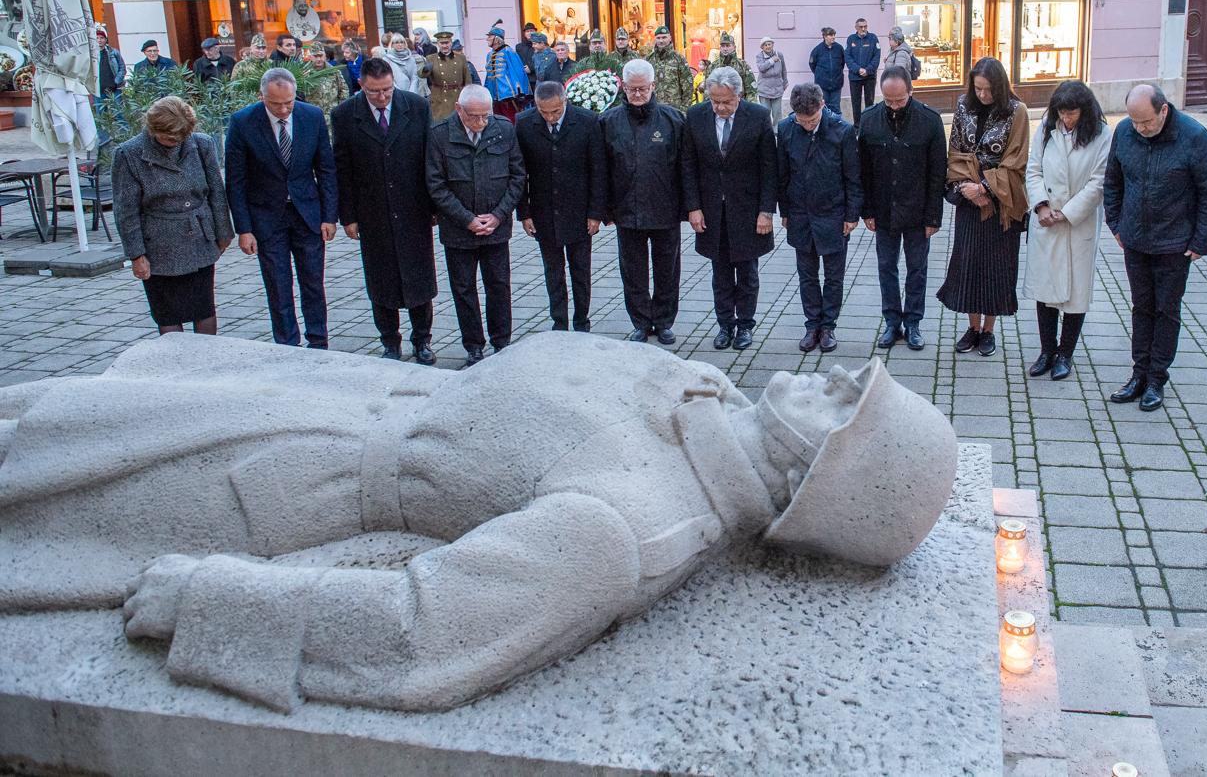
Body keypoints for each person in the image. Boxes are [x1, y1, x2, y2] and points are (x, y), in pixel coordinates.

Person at [1, 335, 956, 715]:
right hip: (303, 389)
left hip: (261, 472)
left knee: (30, 469)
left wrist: (212, 598)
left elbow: (419, 635)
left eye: (849, 407)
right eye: (855, 381)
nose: (835, 376)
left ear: (817, 479)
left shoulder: (630, 523)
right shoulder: (697, 394)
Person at [1103, 84, 1207, 412]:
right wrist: (1116, 223)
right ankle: (1138, 374)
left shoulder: (1195, 137)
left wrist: (1201, 241)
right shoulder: (1126, 130)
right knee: (1141, 307)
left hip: (1174, 242)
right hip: (1135, 239)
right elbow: (1113, 180)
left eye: (1146, 123)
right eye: (1134, 122)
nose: (1139, 130)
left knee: (1166, 309)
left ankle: (1157, 378)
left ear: (1164, 110)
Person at [332, 57, 439, 365]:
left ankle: (423, 340)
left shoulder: (416, 106)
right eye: (374, 92)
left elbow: (429, 160)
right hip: (373, 211)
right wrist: (348, 216)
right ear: (361, 86)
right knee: (381, 281)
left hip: (412, 207)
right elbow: (343, 169)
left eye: (387, 90)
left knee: (419, 279)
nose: (382, 97)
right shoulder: (344, 115)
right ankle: (390, 342)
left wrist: (434, 207)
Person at [225, 67, 339, 350]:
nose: (284, 109)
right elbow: (236, 181)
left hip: (307, 214)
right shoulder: (243, 122)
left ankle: (318, 341)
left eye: (288, 102)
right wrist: (244, 229)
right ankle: (287, 344)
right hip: (267, 217)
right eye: (276, 104)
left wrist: (329, 216)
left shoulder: (311, 116)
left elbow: (325, 169)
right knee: (278, 286)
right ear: (261, 95)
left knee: (313, 283)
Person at [112, 96, 233, 335]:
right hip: (159, 246)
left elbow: (216, 192)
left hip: (199, 238)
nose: (176, 142)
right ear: (153, 129)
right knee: (168, 312)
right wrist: (136, 254)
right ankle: (175, 363)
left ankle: (207, 363)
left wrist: (224, 231)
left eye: (181, 138)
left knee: (203, 309)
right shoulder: (129, 154)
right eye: (169, 139)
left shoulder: (202, 144)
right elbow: (126, 211)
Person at [426, 84, 526, 366]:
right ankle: (473, 346)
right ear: (459, 110)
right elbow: (436, 185)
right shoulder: (440, 135)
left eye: (486, 116)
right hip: (459, 230)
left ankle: (502, 341)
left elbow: (517, 176)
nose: (481, 123)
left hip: (495, 227)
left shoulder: (503, 129)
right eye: (474, 117)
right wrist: (467, 219)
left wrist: (499, 215)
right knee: (464, 289)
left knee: (499, 285)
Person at [936, 58, 1030, 357]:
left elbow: (1017, 161)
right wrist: (968, 189)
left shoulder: (1018, 111)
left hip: (1000, 204)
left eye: (988, 89)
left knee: (997, 268)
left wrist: (985, 187)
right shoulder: (964, 105)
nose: (983, 95)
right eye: (978, 88)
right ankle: (972, 327)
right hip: (969, 200)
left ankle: (989, 330)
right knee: (968, 266)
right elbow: (955, 151)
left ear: (1000, 86)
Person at [684, 66, 779, 350]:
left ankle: (745, 325)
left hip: (748, 211)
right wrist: (693, 207)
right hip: (712, 210)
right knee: (721, 273)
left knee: (748, 272)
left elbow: (769, 168)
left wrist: (766, 211)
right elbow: (688, 165)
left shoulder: (759, 116)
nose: (720, 107)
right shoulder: (696, 116)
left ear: (739, 95)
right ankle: (725, 325)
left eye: (727, 101)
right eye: (715, 101)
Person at [1023, 81, 1111, 381]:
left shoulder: (1101, 134)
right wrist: (1041, 205)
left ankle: (1065, 353)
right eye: (1062, 111)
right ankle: (1046, 350)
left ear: (1084, 109)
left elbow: (1099, 181)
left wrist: (1068, 211)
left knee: (1075, 294)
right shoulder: (1047, 128)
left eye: (1072, 112)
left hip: (1076, 223)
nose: (1067, 118)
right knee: (1044, 289)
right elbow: (1033, 169)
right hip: (1046, 221)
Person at [600, 60, 689, 343]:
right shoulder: (608, 121)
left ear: (653, 86)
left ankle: (663, 322)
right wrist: (605, 209)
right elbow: (601, 169)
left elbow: (685, 168)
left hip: (665, 209)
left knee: (667, 270)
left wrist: (687, 208)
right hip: (626, 211)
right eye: (631, 89)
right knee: (633, 272)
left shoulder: (673, 120)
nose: (637, 94)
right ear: (623, 87)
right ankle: (640, 322)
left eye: (642, 89)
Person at [858, 64, 945, 351]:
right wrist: (866, 210)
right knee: (886, 267)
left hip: (918, 211)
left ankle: (914, 323)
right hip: (883, 210)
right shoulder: (869, 120)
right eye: (888, 100)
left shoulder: (930, 120)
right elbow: (864, 171)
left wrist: (934, 216)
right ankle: (892, 322)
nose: (894, 106)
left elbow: (937, 173)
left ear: (911, 90)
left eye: (899, 100)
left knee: (917, 268)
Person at [515, 80, 607, 333]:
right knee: (553, 272)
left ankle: (582, 321)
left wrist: (595, 213)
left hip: (579, 211)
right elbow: (518, 172)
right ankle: (559, 321)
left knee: (581, 270)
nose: (550, 117)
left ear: (565, 101)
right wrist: (524, 213)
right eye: (544, 112)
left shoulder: (587, 121)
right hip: (544, 211)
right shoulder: (524, 123)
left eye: (555, 111)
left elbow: (598, 170)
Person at [776, 82, 862, 353]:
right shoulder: (787, 129)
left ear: (822, 106)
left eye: (812, 120)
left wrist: (852, 215)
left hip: (834, 214)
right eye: (801, 120)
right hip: (800, 214)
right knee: (807, 274)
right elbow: (782, 175)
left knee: (834, 277)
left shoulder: (842, 131)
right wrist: (785, 212)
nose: (807, 125)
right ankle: (812, 325)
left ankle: (828, 327)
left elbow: (853, 178)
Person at [418, 29, 472, 121]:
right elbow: (422, 75)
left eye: (447, 43)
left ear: (451, 43)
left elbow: (467, 80)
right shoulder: (431, 58)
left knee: (459, 122)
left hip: (457, 95)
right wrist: (425, 68)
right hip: (440, 97)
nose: (445, 46)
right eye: (442, 43)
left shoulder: (460, 58)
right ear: (438, 44)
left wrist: (468, 96)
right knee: (441, 123)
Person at [483, 23, 531, 121]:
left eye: (490, 37)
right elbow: (489, 75)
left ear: (496, 39)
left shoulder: (508, 52)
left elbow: (518, 72)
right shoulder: (489, 54)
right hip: (494, 95)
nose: (487, 39)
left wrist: (520, 91)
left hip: (508, 94)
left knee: (511, 118)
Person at [646, 25, 694, 110]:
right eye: (658, 38)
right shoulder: (648, 59)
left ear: (670, 38)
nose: (661, 41)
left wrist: (684, 111)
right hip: (652, 109)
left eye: (664, 37)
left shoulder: (679, 59)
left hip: (673, 109)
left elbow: (688, 87)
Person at [703, 31, 757, 101]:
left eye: (728, 46)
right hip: (719, 105)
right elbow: (707, 90)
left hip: (739, 105)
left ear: (734, 47)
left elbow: (751, 89)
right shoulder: (713, 67)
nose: (725, 49)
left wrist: (750, 108)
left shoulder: (743, 65)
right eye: (723, 46)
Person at [844, 18, 880, 122]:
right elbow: (848, 58)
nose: (863, 29)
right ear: (856, 28)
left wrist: (867, 70)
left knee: (869, 102)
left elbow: (876, 57)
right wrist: (858, 70)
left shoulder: (873, 38)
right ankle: (857, 127)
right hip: (855, 77)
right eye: (861, 27)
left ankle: (869, 125)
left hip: (870, 77)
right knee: (856, 103)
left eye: (865, 26)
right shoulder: (851, 39)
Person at [808, 27, 845, 114]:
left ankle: (836, 125)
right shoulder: (817, 50)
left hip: (836, 84)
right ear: (825, 36)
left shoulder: (839, 48)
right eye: (831, 35)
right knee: (823, 107)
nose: (833, 37)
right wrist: (820, 75)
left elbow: (842, 63)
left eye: (834, 35)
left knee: (836, 107)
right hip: (822, 85)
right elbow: (812, 65)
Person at [753, 36, 787, 120]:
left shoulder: (779, 55)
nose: (768, 47)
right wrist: (771, 60)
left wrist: (785, 83)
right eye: (765, 45)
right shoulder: (759, 56)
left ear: (772, 45)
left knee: (777, 113)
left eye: (769, 44)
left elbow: (783, 70)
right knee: (765, 114)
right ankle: (767, 131)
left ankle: (777, 131)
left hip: (777, 89)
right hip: (764, 90)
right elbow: (761, 68)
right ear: (762, 47)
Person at [94, 27, 126, 101]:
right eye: (97, 38)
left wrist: (117, 80)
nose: (99, 40)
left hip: (114, 89)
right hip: (98, 90)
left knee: (118, 111)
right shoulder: (90, 55)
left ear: (105, 39)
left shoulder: (114, 52)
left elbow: (122, 67)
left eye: (102, 38)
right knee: (100, 112)